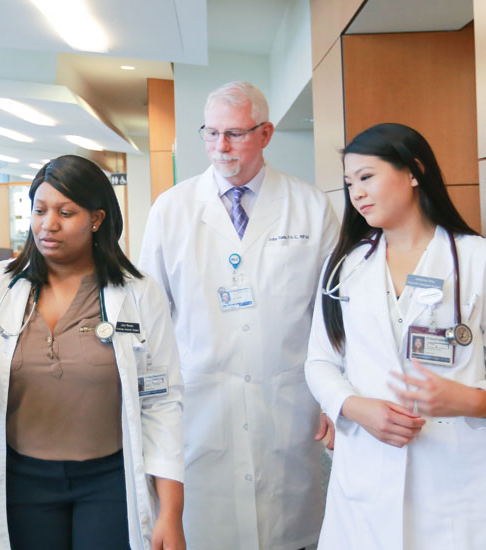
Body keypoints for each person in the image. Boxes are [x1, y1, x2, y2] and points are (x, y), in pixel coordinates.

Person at [306, 123, 486, 549]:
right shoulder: (345, 266)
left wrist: (469, 400)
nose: (356, 193)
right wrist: (354, 408)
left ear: (414, 171)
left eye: (367, 176)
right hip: (367, 474)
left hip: (459, 479)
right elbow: (320, 361)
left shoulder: (485, 261)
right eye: (349, 182)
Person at [138, 81, 339, 550]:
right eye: (211, 134)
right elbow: (151, 316)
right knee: (209, 529)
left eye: (235, 134)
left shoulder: (310, 206)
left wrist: (335, 395)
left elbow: (332, 313)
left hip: (286, 402)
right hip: (200, 401)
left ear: (266, 134)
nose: (220, 147)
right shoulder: (172, 209)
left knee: (286, 531)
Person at [0, 155, 186, 550]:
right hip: (20, 479)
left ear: (97, 219)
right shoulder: (1, 286)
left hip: (108, 481)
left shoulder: (138, 292)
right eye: (39, 210)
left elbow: (162, 401)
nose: (47, 224)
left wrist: (171, 513)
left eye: (65, 212)